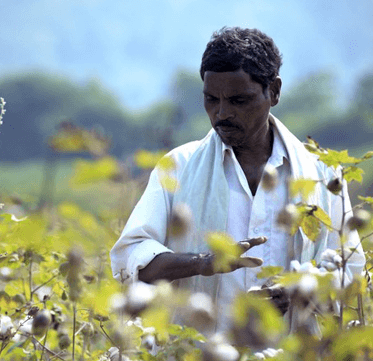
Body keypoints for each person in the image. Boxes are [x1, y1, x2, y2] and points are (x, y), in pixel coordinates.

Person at [110, 27, 365, 332]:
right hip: (199, 349)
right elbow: (131, 256)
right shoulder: (178, 167)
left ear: (274, 92)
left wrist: (300, 290)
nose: (221, 114)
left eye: (238, 101)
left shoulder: (323, 177)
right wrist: (202, 263)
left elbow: (350, 269)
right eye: (211, 100)